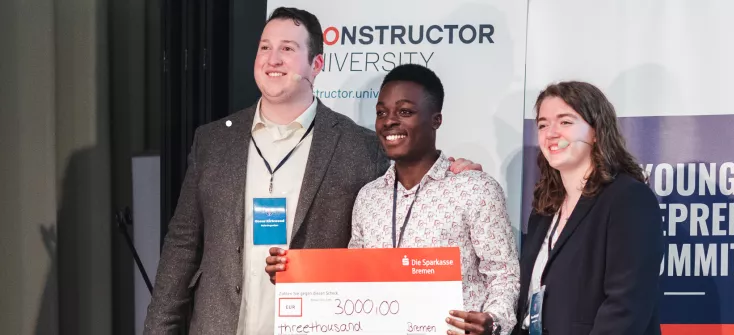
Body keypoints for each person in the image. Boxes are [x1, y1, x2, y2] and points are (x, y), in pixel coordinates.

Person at [143, 7, 480, 335]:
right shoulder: (214, 140)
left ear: (317, 64)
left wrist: (451, 174)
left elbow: (406, 206)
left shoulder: (360, 147)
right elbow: (183, 244)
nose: (272, 59)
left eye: (287, 49)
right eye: (265, 48)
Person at [266, 64, 519, 335]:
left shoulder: (475, 189)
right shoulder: (368, 197)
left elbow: (503, 275)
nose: (388, 121)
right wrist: (293, 276)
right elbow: (353, 281)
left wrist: (492, 322)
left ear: (436, 119)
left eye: (405, 112)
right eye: (381, 113)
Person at [512, 81, 663, 334]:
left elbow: (625, 307)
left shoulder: (628, 199)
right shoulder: (544, 210)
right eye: (543, 124)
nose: (551, 133)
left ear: (596, 132)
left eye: (565, 122)